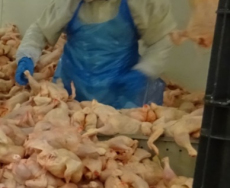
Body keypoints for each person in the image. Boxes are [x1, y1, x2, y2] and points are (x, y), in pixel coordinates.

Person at [15, 0, 176, 109]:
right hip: (70, 94)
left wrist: (144, 71)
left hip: (122, 94)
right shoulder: (69, 3)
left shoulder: (141, 3)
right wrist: (26, 56)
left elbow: (161, 39)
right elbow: (40, 30)